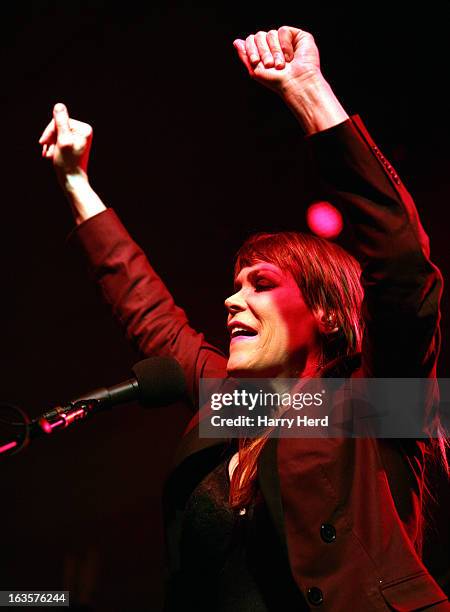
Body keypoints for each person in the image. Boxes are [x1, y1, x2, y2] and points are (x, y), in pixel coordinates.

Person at [39, 26, 449, 611]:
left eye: (261, 284)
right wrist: (76, 182)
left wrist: (310, 91)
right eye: (234, 286)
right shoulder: (238, 405)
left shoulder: (376, 403)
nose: (232, 300)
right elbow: (148, 312)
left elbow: (402, 262)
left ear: (329, 314)